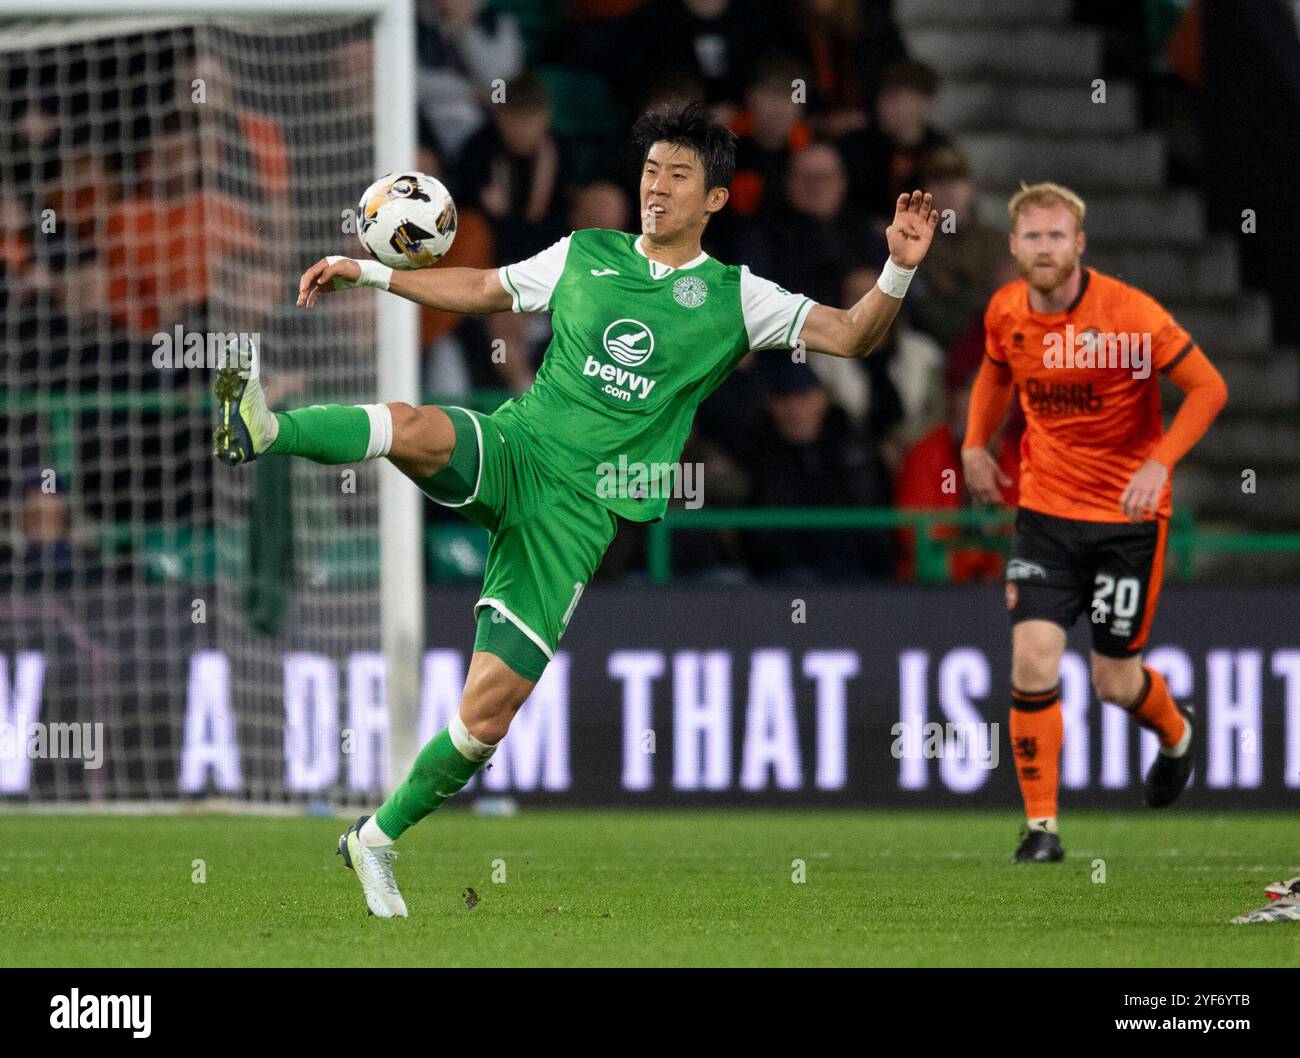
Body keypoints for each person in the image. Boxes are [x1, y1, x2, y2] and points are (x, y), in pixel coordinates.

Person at [212, 101, 939, 917]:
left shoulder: (737, 297)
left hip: (579, 516)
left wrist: (898, 270)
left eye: (678, 176)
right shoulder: (587, 252)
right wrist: (372, 271)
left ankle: (374, 840)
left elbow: (852, 334)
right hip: (520, 448)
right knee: (413, 424)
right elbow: (487, 287)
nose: (656, 189)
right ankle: (265, 430)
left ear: (716, 201)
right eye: (650, 171)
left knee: (488, 714)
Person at [961, 182, 1228, 864]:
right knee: (1031, 658)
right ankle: (1042, 827)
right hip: (1045, 513)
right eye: (1032, 237)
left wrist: (1161, 463)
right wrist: (974, 445)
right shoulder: (1006, 311)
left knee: (1114, 682)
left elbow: (1208, 387)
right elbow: (995, 374)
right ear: (1015, 245)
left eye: (1057, 236)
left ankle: (1176, 734)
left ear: (1079, 244)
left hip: (1126, 520)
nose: (1044, 248)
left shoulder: (1129, 314)